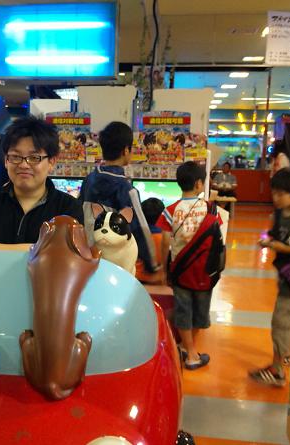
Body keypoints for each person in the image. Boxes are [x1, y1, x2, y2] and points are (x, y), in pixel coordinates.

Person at [0, 116, 83, 252]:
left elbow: (70, 255)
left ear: (51, 162)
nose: (24, 165)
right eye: (15, 157)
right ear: (6, 160)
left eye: (34, 157)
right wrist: (40, 248)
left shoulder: (69, 207)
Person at [156, 161, 216, 370]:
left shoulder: (170, 210)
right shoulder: (210, 208)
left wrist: (165, 269)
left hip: (180, 271)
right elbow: (218, 238)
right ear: (199, 184)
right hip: (205, 272)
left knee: (183, 310)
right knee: (200, 312)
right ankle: (191, 354)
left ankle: (185, 348)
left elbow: (165, 242)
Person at [79, 121, 158, 273]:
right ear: (126, 150)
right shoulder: (127, 190)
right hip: (115, 265)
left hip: (87, 260)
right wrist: (152, 264)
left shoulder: (88, 180)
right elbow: (140, 229)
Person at [249, 167, 290, 387]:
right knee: (286, 322)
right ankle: (283, 359)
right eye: (274, 193)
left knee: (280, 323)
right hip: (285, 277)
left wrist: (280, 247)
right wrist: (268, 241)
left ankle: (278, 370)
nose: (276, 198)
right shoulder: (278, 215)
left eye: (281, 194)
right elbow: (274, 236)